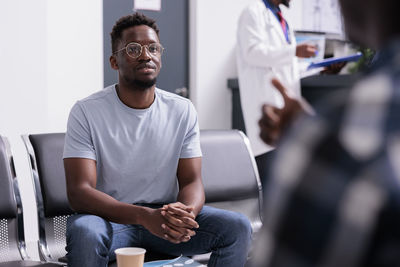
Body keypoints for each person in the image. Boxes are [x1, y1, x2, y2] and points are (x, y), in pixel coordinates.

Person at [63, 13, 252, 267]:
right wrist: (143, 216)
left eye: (153, 48)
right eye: (133, 49)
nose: (145, 55)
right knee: (86, 232)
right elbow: (80, 193)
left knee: (237, 227)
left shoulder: (182, 110)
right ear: (114, 62)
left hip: (163, 217)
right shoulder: (86, 111)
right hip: (109, 220)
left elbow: (192, 180)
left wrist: (185, 214)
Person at [252, 0, 400, 266]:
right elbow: (256, 53)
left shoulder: (335, 139)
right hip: (269, 101)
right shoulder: (253, 13)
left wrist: (313, 139)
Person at [236, 0, 316, 191]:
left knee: (283, 178)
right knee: (269, 173)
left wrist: (320, 67)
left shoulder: (280, 18)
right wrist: (294, 51)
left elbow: (286, 64)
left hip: (284, 105)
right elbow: (252, 52)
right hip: (266, 101)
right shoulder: (253, 12)